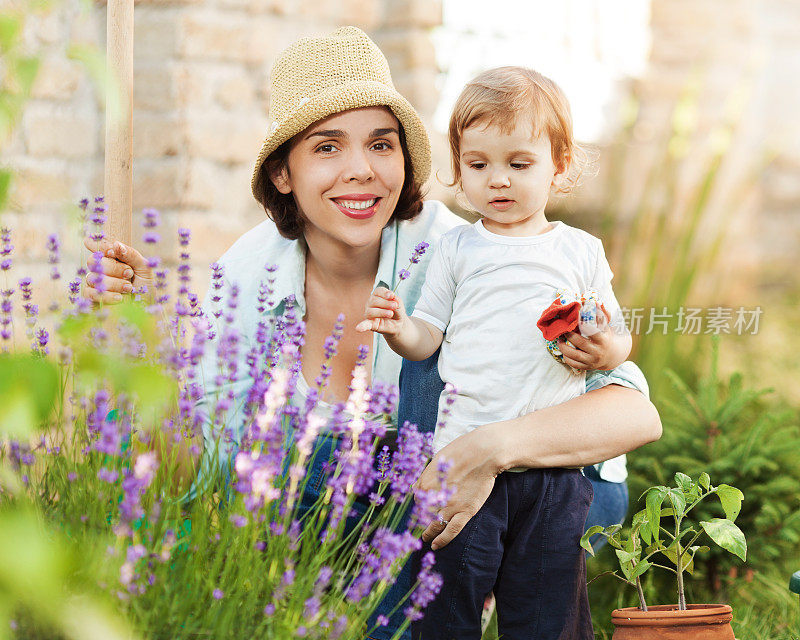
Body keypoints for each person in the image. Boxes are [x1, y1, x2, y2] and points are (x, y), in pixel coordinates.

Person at [82, 27, 661, 640]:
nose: (361, 171)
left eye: (381, 145)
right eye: (327, 147)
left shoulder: (471, 250)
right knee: (317, 465)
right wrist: (143, 344)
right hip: (379, 506)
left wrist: (487, 450)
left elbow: (633, 415)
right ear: (283, 173)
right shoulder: (250, 275)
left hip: (548, 489)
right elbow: (207, 471)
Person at [357, 65, 635, 639]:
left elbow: (618, 338)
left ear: (559, 164)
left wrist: (604, 350)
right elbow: (427, 339)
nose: (498, 181)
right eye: (479, 165)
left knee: (547, 609)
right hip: (463, 458)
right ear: (459, 168)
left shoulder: (580, 250)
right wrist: (397, 327)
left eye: (519, 163)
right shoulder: (457, 248)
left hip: (552, 468)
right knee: (447, 602)